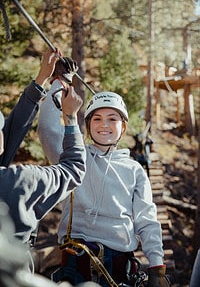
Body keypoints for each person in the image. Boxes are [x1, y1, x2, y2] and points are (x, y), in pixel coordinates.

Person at [38, 90, 170, 287]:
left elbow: (147, 220)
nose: (104, 125)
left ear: (123, 126)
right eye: (97, 118)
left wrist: (156, 266)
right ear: (89, 125)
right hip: (76, 262)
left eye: (112, 119)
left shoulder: (134, 170)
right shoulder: (73, 157)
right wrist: (58, 84)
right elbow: (47, 130)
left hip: (119, 266)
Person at [0, 48, 86, 245]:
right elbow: (73, 170)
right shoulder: (17, 182)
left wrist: (43, 79)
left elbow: (13, 129)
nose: (3, 130)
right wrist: (71, 118)